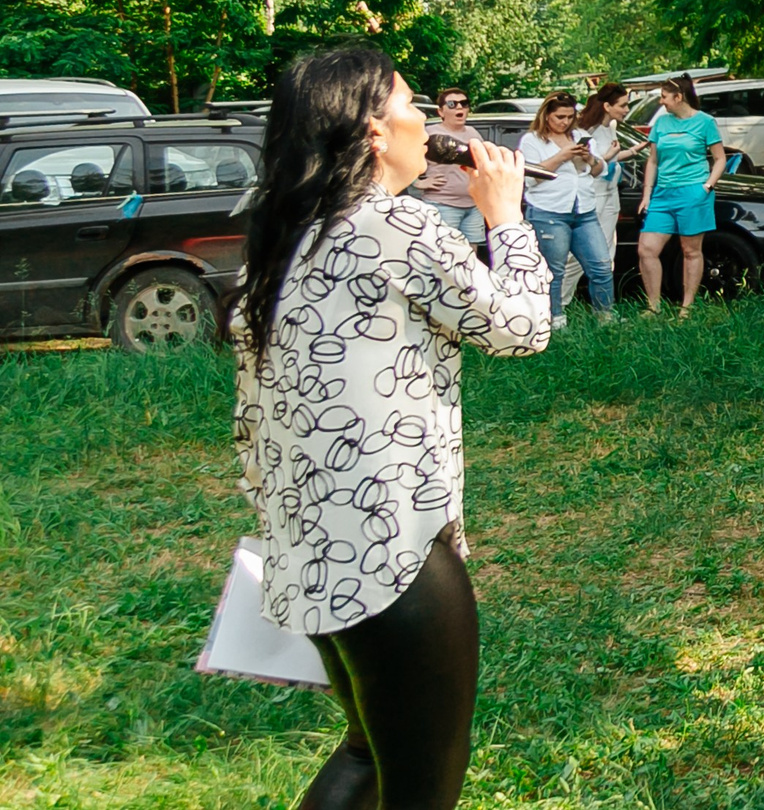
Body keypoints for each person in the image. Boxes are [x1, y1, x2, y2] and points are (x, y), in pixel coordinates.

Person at [229, 44, 550, 810]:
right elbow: (522, 326)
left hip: (308, 549)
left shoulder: (281, 239)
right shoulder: (393, 226)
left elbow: (251, 418)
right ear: (375, 132)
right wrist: (504, 218)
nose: (421, 122)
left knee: (368, 753)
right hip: (395, 554)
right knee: (420, 787)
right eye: (409, 105)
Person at [520, 91, 615, 325]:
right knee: (554, 270)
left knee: (602, 265)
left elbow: (598, 171)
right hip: (549, 210)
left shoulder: (580, 135)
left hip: (584, 210)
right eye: (559, 117)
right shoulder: (532, 140)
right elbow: (531, 178)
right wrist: (562, 156)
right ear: (546, 115)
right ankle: (555, 319)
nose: (564, 122)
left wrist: (590, 158)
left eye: (569, 117)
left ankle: (606, 315)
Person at [637, 74, 726, 315]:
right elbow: (653, 161)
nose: (661, 102)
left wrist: (706, 187)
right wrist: (647, 195)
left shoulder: (705, 122)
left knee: (690, 251)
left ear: (679, 97)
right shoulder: (662, 123)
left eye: (664, 97)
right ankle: (653, 306)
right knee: (646, 249)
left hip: (693, 192)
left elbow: (720, 159)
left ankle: (687, 307)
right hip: (663, 194)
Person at [558, 83, 635, 307]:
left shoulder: (610, 127)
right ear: (607, 106)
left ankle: (604, 310)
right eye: (623, 105)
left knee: (607, 256)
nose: (626, 110)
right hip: (596, 197)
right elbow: (585, 165)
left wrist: (629, 152)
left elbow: (611, 158)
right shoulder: (587, 132)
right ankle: (556, 304)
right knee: (582, 258)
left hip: (612, 197)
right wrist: (608, 155)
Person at [415, 87, 489, 249]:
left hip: (474, 206)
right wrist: (417, 183)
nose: (459, 108)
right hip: (442, 205)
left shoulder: (473, 133)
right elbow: (405, 159)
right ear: (441, 111)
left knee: (471, 256)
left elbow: (484, 163)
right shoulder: (430, 134)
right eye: (452, 104)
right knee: (444, 254)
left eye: (464, 104)